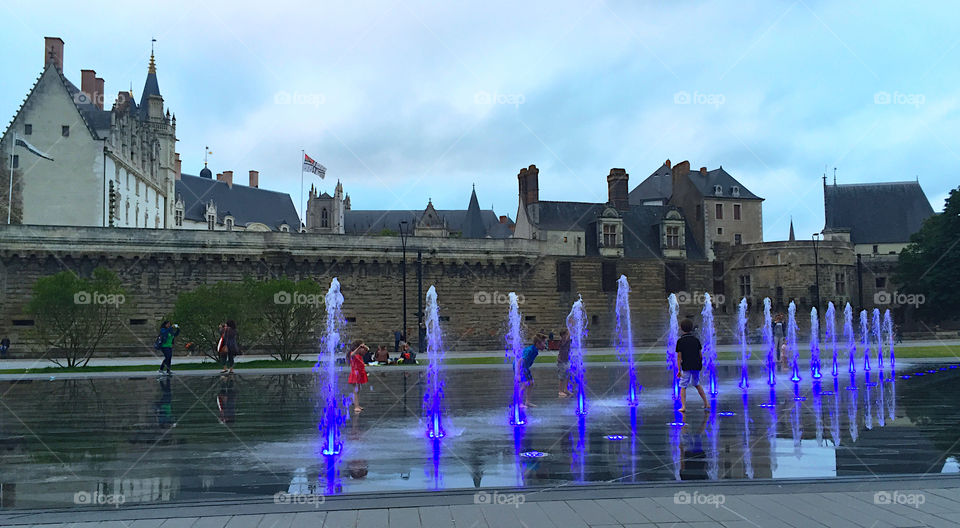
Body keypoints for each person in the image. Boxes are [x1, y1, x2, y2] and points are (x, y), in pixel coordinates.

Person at [676, 318, 710, 413]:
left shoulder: (680, 341)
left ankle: (683, 406)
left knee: (683, 386)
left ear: (681, 328)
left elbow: (679, 357)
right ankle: (706, 402)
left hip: (686, 366)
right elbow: (700, 355)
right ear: (691, 328)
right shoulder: (696, 340)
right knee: (696, 383)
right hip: (696, 365)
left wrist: (679, 370)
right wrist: (699, 364)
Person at [519, 333, 547, 408]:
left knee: (531, 383)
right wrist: (518, 374)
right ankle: (519, 403)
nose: (545, 345)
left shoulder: (535, 350)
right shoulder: (530, 350)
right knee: (525, 383)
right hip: (521, 367)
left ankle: (527, 402)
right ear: (537, 343)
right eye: (544, 343)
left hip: (525, 367)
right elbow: (520, 361)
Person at [347, 340, 369, 413]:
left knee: (358, 390)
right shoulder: (352, 354)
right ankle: (356, 406)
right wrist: (359, 347)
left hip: (359, 373)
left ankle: (357, 405)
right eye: (361, 348)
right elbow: (352, 354)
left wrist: (364, 346)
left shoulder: (360, 354)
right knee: (355, 391)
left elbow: (367, 349)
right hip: (355, 374)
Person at [557, 329, 571, 398]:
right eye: (565, 335)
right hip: (561, 361)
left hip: (566, 360)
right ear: (562, 336)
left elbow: (569, 336)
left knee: (568, 374)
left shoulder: (567, 341)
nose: (566, 336)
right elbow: (567, 337)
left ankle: (565, 389)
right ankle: (560, 391)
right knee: (561, 376)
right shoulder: (562, 341)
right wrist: (569, 329)